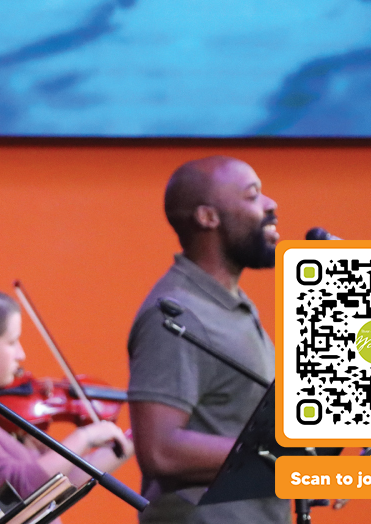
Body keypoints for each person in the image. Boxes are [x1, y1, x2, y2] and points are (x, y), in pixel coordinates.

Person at [126, 156, 281, 523]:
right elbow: (161, 449)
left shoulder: (230, 304)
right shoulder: (177, 314)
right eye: (252, 195)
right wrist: (283, 458)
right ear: (208, 217)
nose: (270, 204)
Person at [0, 286, 133, 524]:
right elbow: (17, 493)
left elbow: (60, 483)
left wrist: (134, 438)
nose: (21, 354)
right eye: (12, 342)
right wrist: (84, 437)